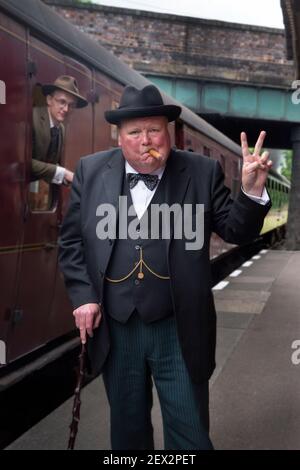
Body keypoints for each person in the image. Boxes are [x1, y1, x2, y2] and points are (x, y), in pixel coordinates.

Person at [58, 84, 272, 450]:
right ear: (119, 137)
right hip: (116, 325)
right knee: (128, 434)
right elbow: (72, 242)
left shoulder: (202, 172)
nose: (145, 140)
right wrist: (83, 297)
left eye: (153, 130)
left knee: (189, 434)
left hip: (179, 326)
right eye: (134, 132)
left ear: (169, 132)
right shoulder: (91, 171)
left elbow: (237, 230)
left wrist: (250, 192)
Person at [31, 75, 88, 185]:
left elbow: (47, 164)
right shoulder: (32, 119)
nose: (66, 109)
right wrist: (64, 173)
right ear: (49, 100)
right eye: (62, 102)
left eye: (71, 105)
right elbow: (21, 162)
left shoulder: (61, 129)